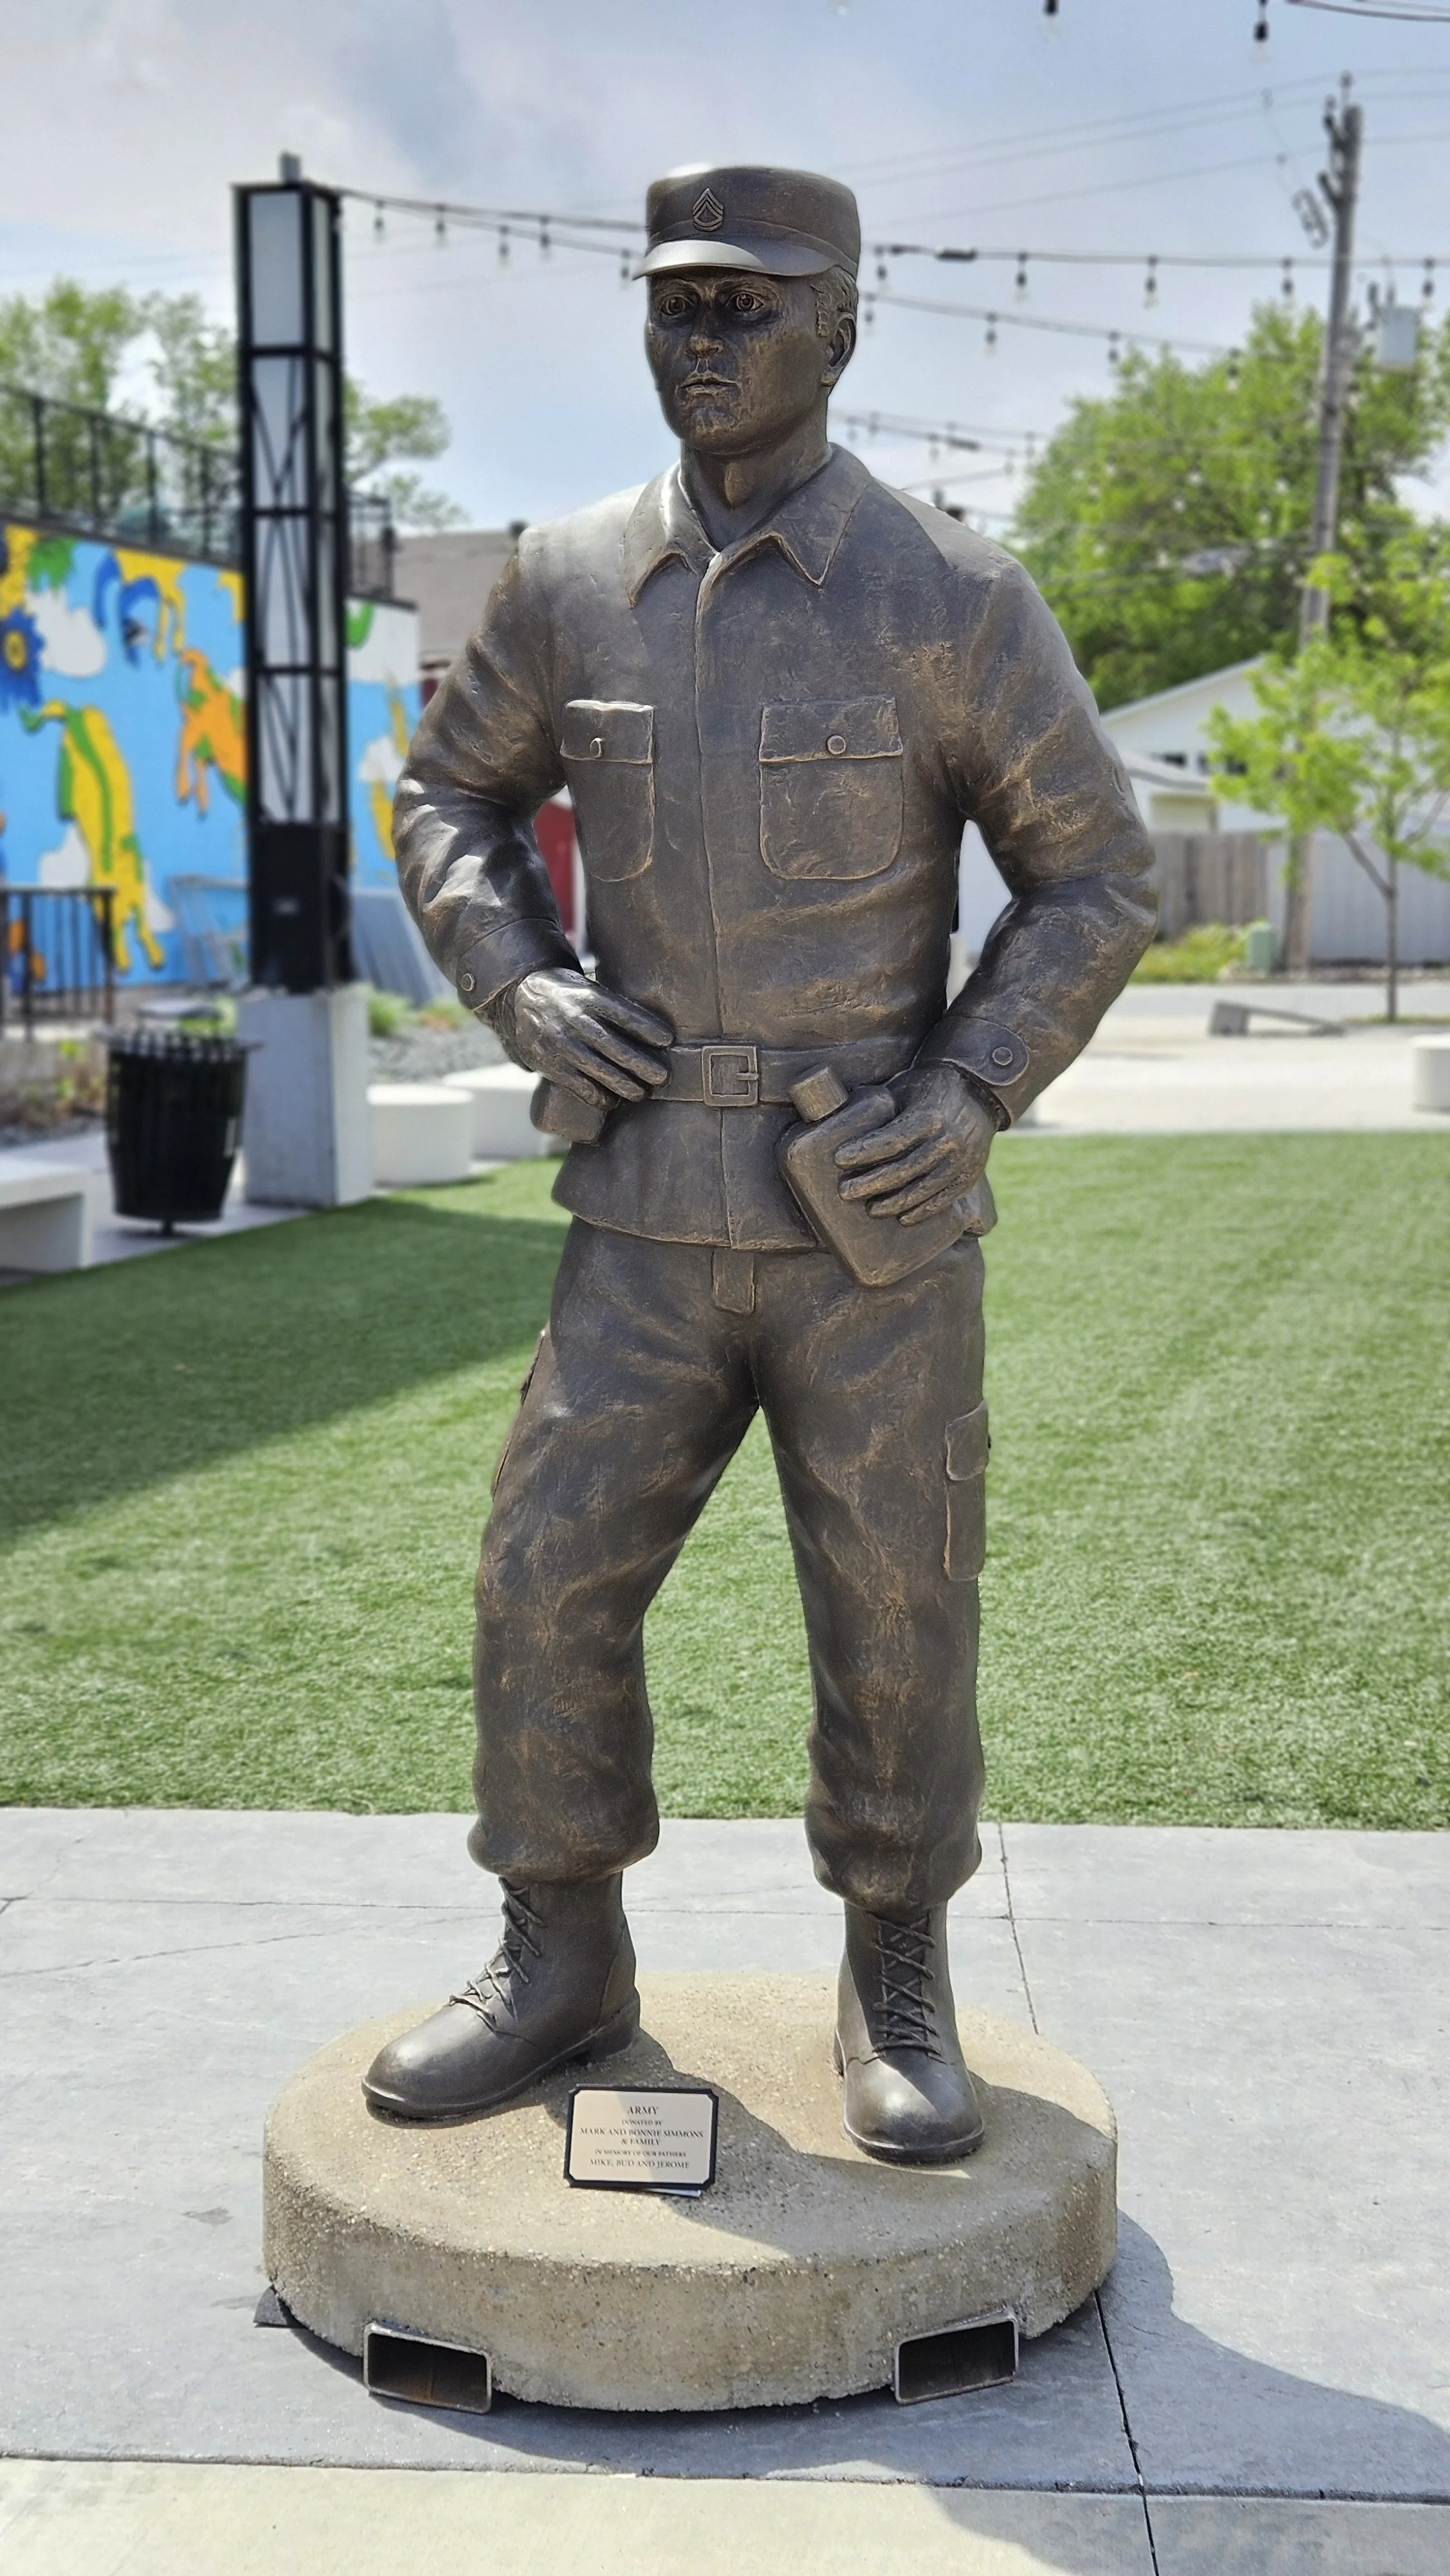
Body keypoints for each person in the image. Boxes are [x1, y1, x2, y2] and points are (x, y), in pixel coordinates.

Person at [365, 164, 1155, 2161]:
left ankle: (896, 1962)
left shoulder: (948, 599)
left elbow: (1094, 878)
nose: (705, 341)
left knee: (897, 1597)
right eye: (678, 305)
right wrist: (520, 986)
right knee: (543, 1570)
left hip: (865, 1214)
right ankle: (559, 1953)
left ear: (843, 327)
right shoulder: (560, 578)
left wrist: (970, 1088)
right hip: (638, 1200)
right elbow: (448, 792)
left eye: (751, 305)